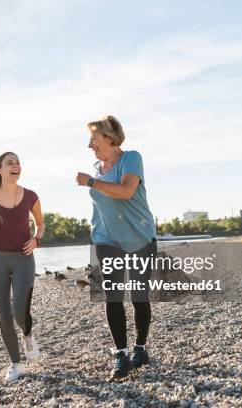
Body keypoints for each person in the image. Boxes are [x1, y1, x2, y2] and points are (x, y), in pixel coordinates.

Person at [76, 115, 157, 380]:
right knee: (112, 295)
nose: (90, 145)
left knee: (138, 297)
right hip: (106, 239)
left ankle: (141, 348)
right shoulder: (97, 167)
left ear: (109, 137)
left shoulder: (131, 158)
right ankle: (121, 355)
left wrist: (90, 182)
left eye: (94, 139)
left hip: (140, 238)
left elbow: (126, 192)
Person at [0, 151, 45, 382]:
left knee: (19, 311)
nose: (15, 166)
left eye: (18, 163)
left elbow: (41, 224)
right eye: (10, 163)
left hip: (23, 258)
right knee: (3, 315)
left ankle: (28, 334)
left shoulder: (31, 196)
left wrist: (36, 240)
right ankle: (15, 364)